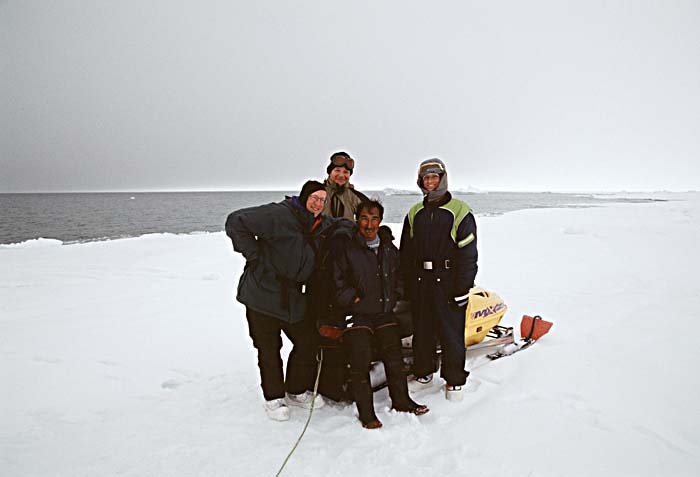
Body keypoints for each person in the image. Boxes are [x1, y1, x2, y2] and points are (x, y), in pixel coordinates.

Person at [225, 180, 334, 421]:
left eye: (322, 200)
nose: (317, 203)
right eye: (314, 198)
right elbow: (236, 221)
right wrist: (254, 255)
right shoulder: (278, 214)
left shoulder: (317, 223)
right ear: (304, 197)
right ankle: (273, 397)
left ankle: (295, 389)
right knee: (269, 347)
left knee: (307, 341)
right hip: (262, 294)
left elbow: (340, 226)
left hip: (292, 297)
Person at [319, 200, 429, 428]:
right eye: (364, 219)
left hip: (383, 312)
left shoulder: (388, 247)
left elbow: (399, 274)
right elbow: (336, 282)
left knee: (394, 357)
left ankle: (401, 401)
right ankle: (366, 413)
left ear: (380, 221)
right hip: (357, 314)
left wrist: (396, 293)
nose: (369, 225)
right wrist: (353, 299)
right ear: (357, 220)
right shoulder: (346, 247)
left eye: (375, 219)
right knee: (360, 360)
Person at [400, 159, 478, 401]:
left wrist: (463, 287)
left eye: (435, 177)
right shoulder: (415, 213)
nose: (430, 182)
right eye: (426, 178)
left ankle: (454, 379)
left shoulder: (459, 211)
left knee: (451, 331)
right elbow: (406, 253)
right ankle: (423, 373)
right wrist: (407, 286)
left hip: (449, 281)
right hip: (422, 281)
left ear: (442, 179)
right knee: (422, 329)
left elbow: (468, 253)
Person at [322, 151, 369, 220]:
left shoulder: (355, 196)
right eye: (337, 170)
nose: (341, 175)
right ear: (330, 172)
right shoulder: (318, 192)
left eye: (345, 172)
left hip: (347, 230)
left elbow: (370, 217)